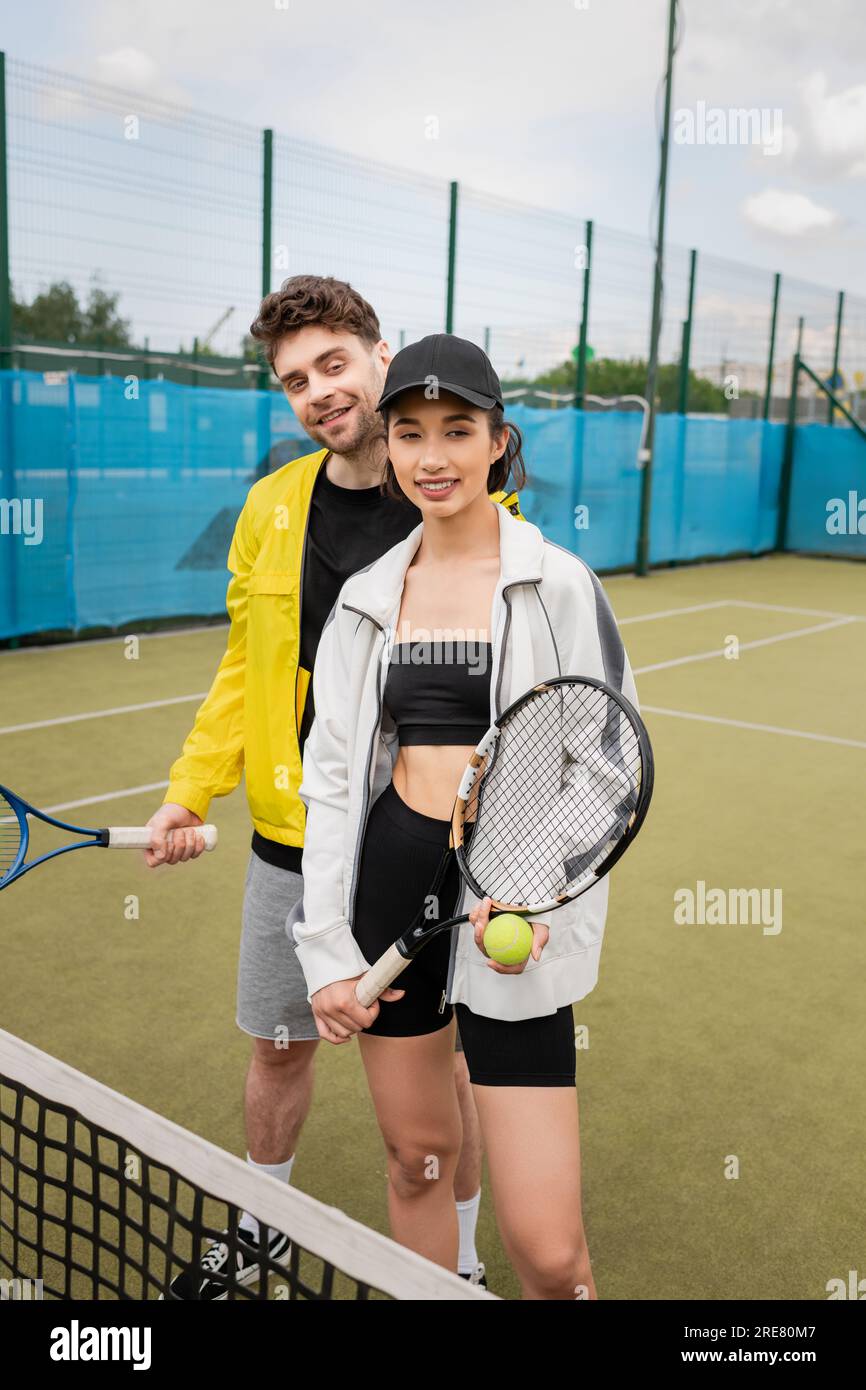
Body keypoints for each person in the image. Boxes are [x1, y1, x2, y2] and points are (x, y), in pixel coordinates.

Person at [143, 278, 523, 1297]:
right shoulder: (270, 509)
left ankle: (466, 1255)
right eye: (294, 380)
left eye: (334, 364)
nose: (318, 391)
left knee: (441, 1067)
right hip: (291, 833)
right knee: (278, 1045)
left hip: (428, 838)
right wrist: (192, 787)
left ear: (377, 355)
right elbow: (243, 669)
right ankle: (263, 1226)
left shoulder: (457, 494)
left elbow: (512, 690)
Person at [293, 333, 640, 1299]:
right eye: (409, 434)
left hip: (514, 908)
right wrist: (327, 952)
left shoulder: (557, 581)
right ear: (389, 448)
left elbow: (607, 763)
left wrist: (524, 884)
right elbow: (331, 782)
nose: (432, 456)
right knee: (417, 1163)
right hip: (393, 880)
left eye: (457, 431)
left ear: (498, 442)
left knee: (550, 1252)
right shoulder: (366, 597)